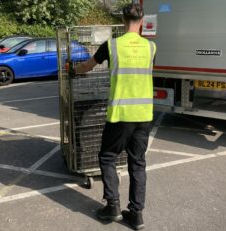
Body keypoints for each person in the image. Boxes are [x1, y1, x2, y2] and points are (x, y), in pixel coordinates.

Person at [74, 3, 156, 230]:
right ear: (141, 21)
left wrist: (73, 69)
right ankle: (137, 215)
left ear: (123, 20)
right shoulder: (151, 47)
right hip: (144, 115)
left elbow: (87, 67)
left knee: (108, 157)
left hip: (120, 115)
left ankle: (113, 207)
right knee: (137, 163)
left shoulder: (112, 46)